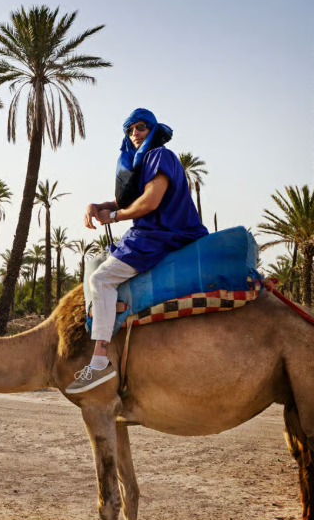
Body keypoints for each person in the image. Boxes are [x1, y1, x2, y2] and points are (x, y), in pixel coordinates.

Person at [67, 108, 208, 395]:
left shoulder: (160, 156)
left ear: (153, 130)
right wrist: (97, 206)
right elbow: (127, 201)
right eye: (130, 129)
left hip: (161, 235)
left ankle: (100, 361)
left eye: (141, 127)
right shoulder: (143, 163)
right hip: (150, 234)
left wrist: (115, 217)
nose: (135, 134)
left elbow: (149, 202)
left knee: (101, 280)